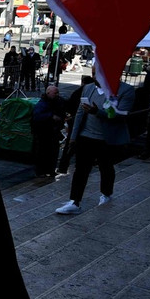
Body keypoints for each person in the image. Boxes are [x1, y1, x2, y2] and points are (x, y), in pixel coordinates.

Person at [56, 81, 137, 215]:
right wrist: (73, 136)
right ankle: (74, 201)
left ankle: (106, 194)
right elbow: (80, 112)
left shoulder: (125, 90)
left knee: (106, 167)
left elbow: (121, 115)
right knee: (80, 169)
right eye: (93, 73)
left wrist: (97, 112)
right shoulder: (88, 88)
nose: (95, 77)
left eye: (97, 73)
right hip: (86, 136)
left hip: (107, 139)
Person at [58, 76, 96, 175]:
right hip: (81, 122)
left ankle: (63, 166)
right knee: (72, 146)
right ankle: (64, 166)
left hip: (78, 121)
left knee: (70, 146)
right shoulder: (86, 93)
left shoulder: (80, 92)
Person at [31, 84, 66, 178]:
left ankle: (50, 170)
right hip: (43, 132)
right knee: (43, 152)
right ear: (48, 93)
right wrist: (51, 116)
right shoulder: (42, 104)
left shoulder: (57, 101)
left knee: (53, 152)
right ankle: (41, 171)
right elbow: (37, 117)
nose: (57, 94)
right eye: (55, 93)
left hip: (53, 131)